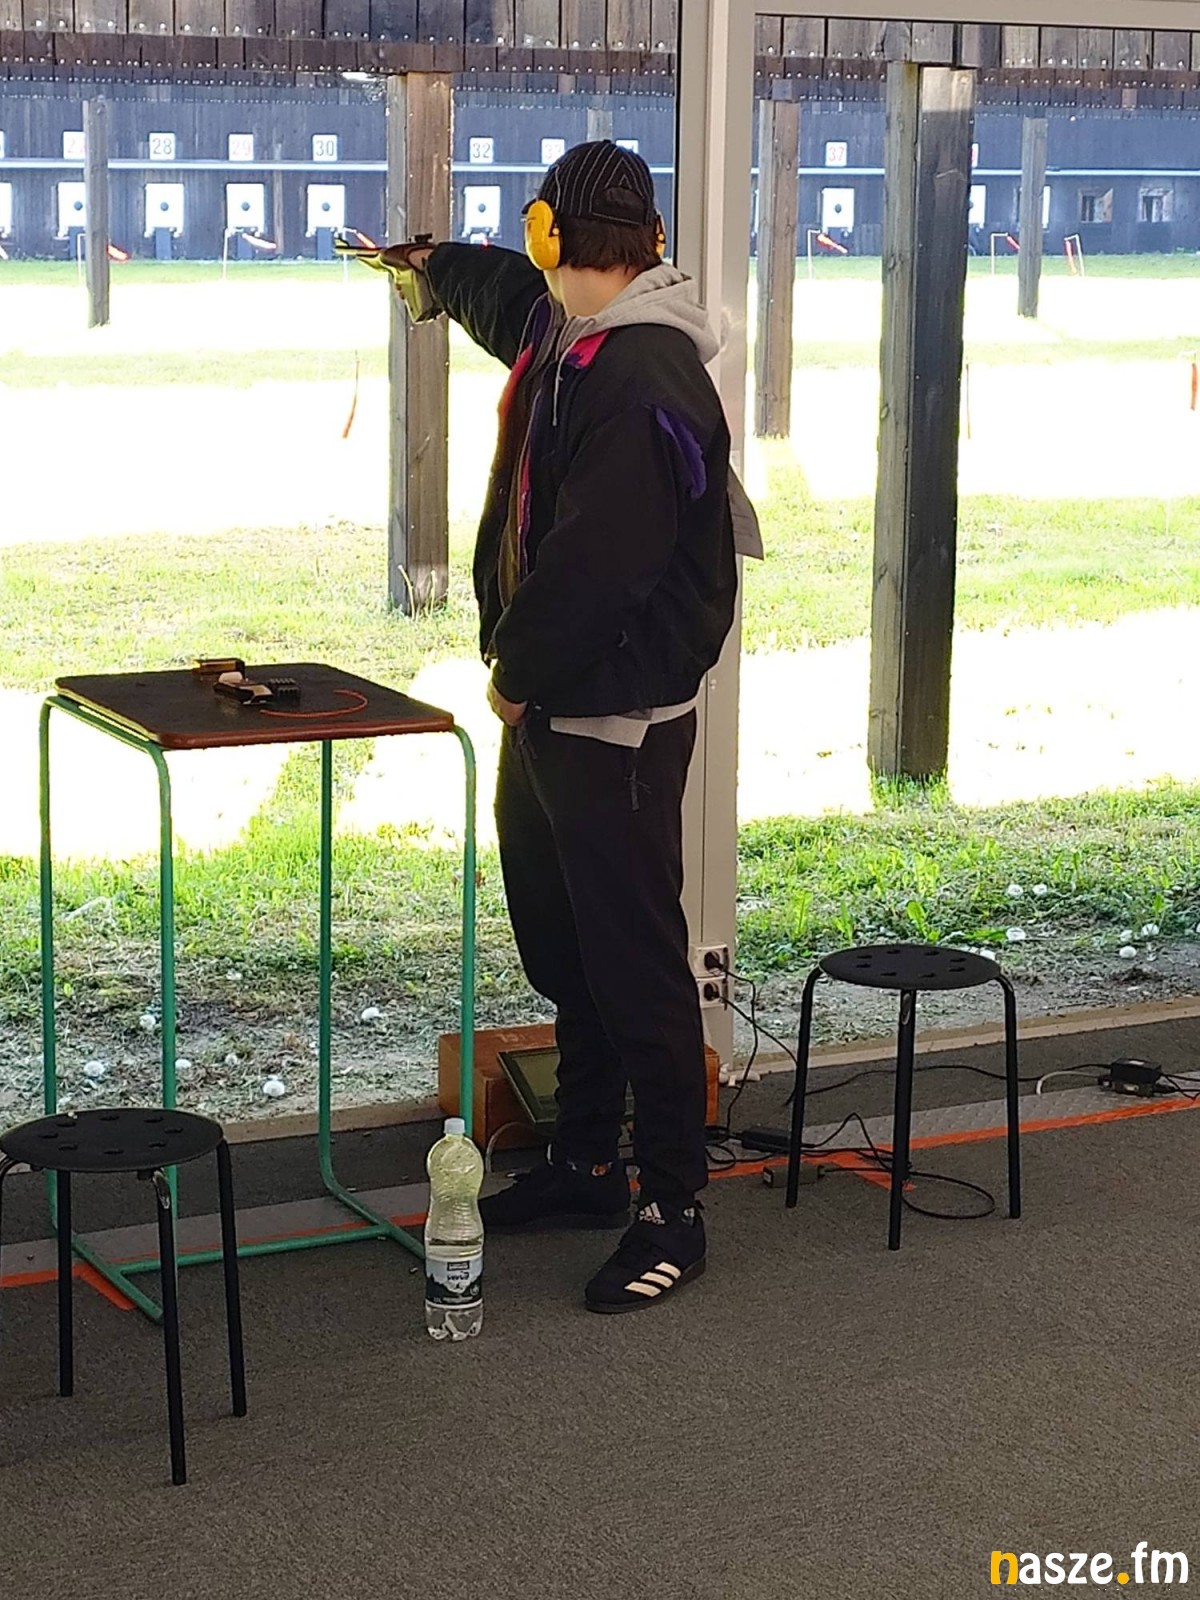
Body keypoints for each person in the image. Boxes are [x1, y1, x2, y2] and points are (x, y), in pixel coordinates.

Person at [398, 141, 740, 1314]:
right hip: (559, 702)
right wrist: (435, 269)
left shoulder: (641, 375)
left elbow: (603, 565)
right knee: (572, 946)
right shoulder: (576, 329)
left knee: (634, 963)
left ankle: (673, 1208)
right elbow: (509, 303)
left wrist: (515, 671)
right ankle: (591, 1163)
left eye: (534, 229)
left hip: (613, 716)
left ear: (554, 232)